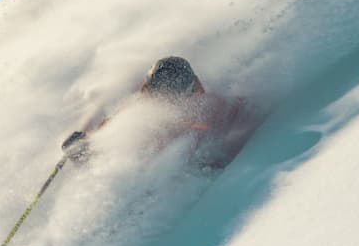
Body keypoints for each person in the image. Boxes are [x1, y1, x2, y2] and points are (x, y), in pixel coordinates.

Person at [62, 56, 255, 168]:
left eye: (178, 96)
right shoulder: (138, 113)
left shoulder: (214, 107)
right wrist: (84, 144)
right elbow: (107, 139)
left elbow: (243, 116)